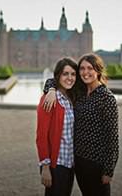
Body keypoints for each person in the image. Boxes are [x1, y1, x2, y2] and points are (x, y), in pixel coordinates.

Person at [42, 53, 119, 196]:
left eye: (90, 68)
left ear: (98, 71)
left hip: (97, 164)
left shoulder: (107, 98)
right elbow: (55, 79)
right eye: (82, 69)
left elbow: (112, 138)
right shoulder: (80, 91)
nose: (85, 72)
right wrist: (51, 90)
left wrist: (109, 171)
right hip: (78, 162)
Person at [36, 57, 79, 196]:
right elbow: (41, 136)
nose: (70, 78)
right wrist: (45, 167)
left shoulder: (72, 97)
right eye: (65, 74)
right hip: (56, 165)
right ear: (58, 76)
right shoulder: (49, 99)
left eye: (73, 74)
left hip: (70, 163)